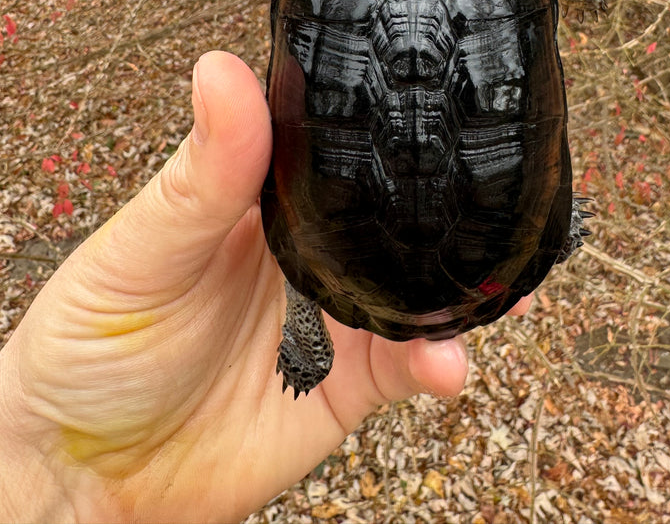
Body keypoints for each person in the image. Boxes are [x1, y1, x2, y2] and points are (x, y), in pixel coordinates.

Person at [0, 51, 474, 523]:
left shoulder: (311, 259)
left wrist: (37, 471)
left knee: (309, 268)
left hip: (362, 233)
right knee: (313, 271)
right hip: (418, 243)